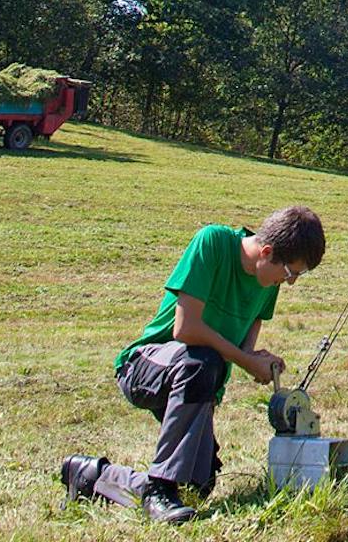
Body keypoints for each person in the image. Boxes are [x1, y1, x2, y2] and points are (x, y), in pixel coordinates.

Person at [60, 205, 326, 525]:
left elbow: (243, 347)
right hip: (146, 367)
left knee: (196, 485)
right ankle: (158, 488)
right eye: (291, 273)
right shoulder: (212, 242)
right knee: (203, 362)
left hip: (198, 380)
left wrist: (258, 361)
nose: (292, 282)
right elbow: (185, 330)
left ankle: (91, 475)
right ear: (267, 251)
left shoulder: (268, 282)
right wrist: (244, 361)